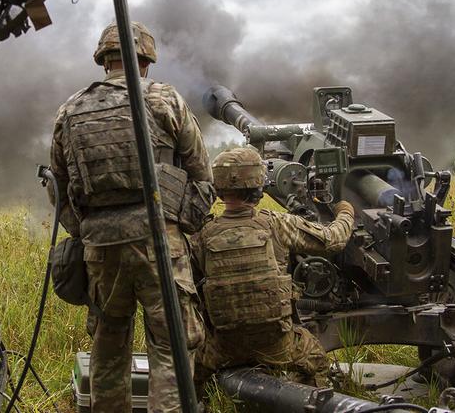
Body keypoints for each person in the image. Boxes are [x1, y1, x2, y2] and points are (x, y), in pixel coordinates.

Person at [49, 21, 215, 413]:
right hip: (161, 243)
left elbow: (57, 190)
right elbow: (202, 176)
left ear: (104, 60)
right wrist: (180, 224)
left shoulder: (70, 109)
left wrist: (88, 230)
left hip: (100, 249)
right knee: (171, 347)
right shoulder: (165, 100)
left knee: (108, 347)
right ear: (145, 61)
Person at [193, 147, 355, 387]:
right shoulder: (275, 224)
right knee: (317, 362)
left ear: (218, 189)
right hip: (278, 344)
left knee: (191, 374)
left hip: (225, 347)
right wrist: (345, 212)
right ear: (259, 188)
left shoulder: (203, 235)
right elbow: (333, 239)